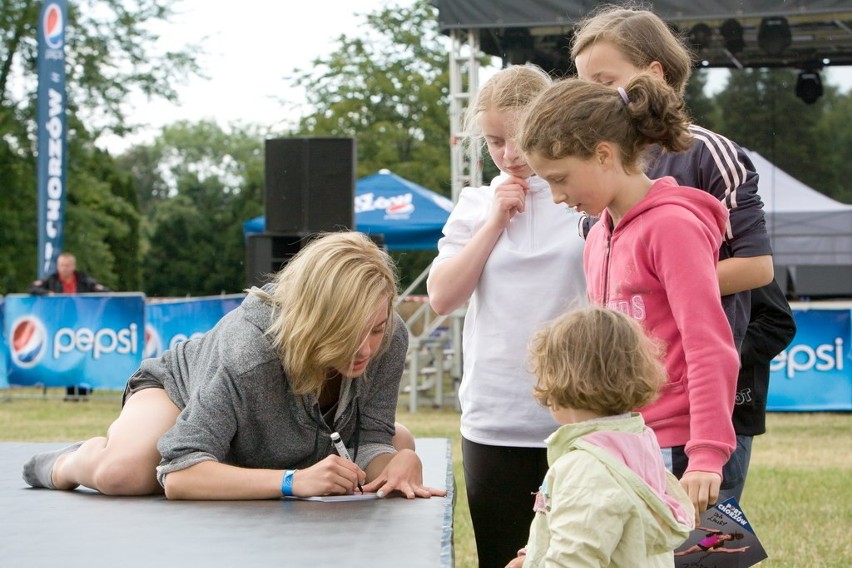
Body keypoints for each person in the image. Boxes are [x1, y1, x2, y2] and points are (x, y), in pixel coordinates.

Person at [23, 231, 445, 501]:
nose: (366, 348)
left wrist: (397, 466)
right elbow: (180, 472)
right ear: (318, 319)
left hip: (284, 436)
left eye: (374, 330)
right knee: (123, 474)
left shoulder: (390, 336)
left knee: (401, 442)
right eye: (349, 331)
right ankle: (70, 462)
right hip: (179, 393)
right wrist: (291, 483)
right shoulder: (250, 351)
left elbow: (371, 438)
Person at [569, 4, 777, 494]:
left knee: (706, 550)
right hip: (633, 405)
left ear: (653, 73)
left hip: (703, 399)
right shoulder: (592, 168)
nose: (590, 97)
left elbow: (758, 266)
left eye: (603, 80)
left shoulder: (708, 153)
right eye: (582, 84)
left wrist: (669, 280)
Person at [517, 74, 741, 519]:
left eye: (560, 179)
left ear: (603, 154)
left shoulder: (673, 227)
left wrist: (707, 454)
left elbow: (709, 344)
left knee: (703, 563)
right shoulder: (598, 235)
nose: (558, 197)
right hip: (625, 440)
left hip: (681, 450)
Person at [426, 64, 588, 568]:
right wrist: (495, 219)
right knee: (502, 557)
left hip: (581, 414)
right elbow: (442, 298)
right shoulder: (474, 202)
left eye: (519, 138)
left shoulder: (587, 198)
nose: (509, 155)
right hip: (495, 417)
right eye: (495, 141)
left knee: (583, 556)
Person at [507, 306, 694, 568]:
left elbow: (574, 559)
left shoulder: (585, 468)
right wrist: (532, 557)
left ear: (559, 376)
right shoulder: (636, 443)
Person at [720, 279, 796, 502]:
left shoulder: (740, 253)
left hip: (733, 411)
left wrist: (722, 354)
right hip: (665, 410)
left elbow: (779, 323)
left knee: (716, 522)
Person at [28, 251, 111, 401]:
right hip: (63, 326)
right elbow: (32, 288)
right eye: (61, 265)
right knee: (66, 359)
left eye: (67, 265)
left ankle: (84, 391)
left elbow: (103, 290)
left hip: (84, 326)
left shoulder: (83, 280)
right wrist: (48, 293)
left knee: (84, 358)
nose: (64, 268)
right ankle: (71, 392)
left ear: (73, 266)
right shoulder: (51, 280)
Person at [674, 527, 750, 557]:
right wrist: (697, 527)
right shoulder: (718, 532)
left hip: (709, 548)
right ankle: (673, 555)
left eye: (727, 538)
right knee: (686, 552)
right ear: (727, 534)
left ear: (728, 540)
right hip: (702, 545)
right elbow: (707, 529)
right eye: (727, 536)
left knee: (725, 550)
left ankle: (740, 549)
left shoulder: (721, 543)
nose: (726, 537)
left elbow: (726, 550)